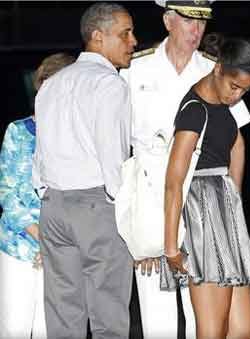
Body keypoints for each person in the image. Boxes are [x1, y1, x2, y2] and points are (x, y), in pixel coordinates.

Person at [119, 1, 250, 337]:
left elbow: (237, 140)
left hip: (205, 209)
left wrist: (231, 199)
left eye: (202, 23)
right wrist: (138, 229)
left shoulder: (214, 70)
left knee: (206, 324)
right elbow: (121, 150)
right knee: (158, 323)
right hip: (153, 201)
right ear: (168, 21)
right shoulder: (134, 70)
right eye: (188, 21)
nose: (196, 31)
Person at [32, 3, 137, 338]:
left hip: (54, 206)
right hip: (96, 205)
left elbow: (41, 152)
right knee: (109, 315)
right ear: (97, 37)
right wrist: (124, 210)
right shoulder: (110, 84)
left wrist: (45, 194)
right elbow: (113, 156)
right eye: (125, 33)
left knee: (63, 315)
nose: (133, 41)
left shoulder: (51, 84)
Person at [164, 36, 250, 339]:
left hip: (223, 207)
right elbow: (173, 182)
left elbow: (236, 142)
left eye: (246, 90)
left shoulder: (222, 103)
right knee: (212, 331)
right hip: (203, 215)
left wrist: (234, 194)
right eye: (235, 86)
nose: (238, 95)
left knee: (244, 328)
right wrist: (170, 246)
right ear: (218, 69)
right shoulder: (195, 110)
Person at [0, 52, 74, 339]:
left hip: (62, 250)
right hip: (18, 248)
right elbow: (9, 194)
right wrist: (42, 239)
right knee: (14, 328)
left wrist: (56, 243)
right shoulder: (17, 132)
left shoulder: (79, 139)